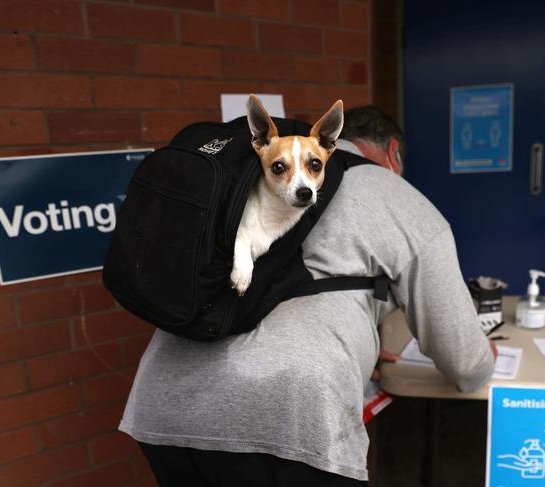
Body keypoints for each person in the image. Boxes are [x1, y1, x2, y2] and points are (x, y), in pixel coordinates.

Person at [119, 106, 496, 486]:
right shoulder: (395, 195)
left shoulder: (259, 171)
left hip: (164, 402)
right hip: (293, 416)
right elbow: (465, 364)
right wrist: (481, 357)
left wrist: (360, 347)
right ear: (393, 153)